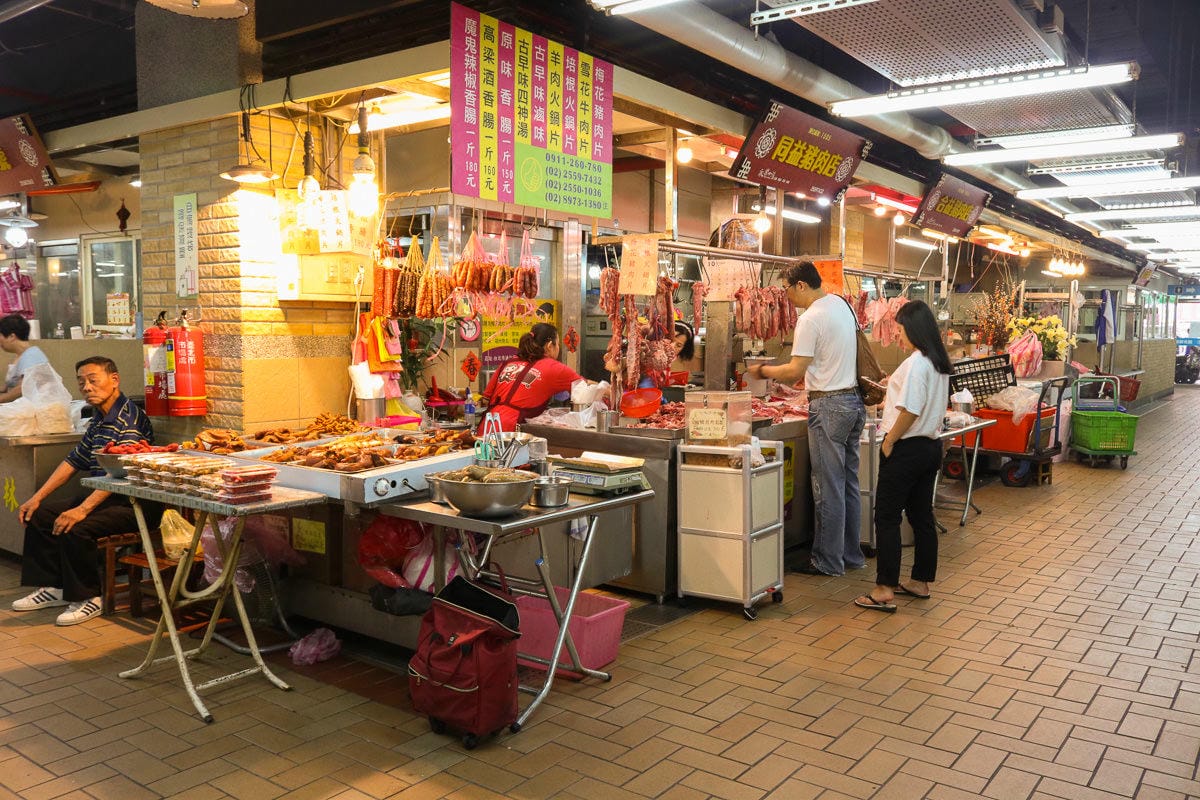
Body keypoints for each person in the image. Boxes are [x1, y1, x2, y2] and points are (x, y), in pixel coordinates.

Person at [12, 356, 162, 626]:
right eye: (82, 382)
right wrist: (36, 498)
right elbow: (74, 460)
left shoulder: (128, 419)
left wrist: (80, 510)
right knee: (41, 514)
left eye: (94, 380)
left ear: (114, 380)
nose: (87, 387)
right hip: (101, 495)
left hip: (130, 502)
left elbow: (118, 475)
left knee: (77, 526)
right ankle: (54, 587)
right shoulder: (98, 418)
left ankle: (91, 597)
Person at [746, 262, 865, 576]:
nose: (786, 297)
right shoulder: (841, 305)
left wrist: (763, 371)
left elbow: (796, 370)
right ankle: (851, 555)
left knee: (828, 486)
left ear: (800, 285)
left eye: (786, 289)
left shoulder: (811, 318)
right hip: (853, 402)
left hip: (829, 406)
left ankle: (827, 561)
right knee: (848, 483)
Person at [855, 301, 951, 613]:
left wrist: (889, 441)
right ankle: (920, 581)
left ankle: (884, 588)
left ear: (914, 329)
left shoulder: (916, 363)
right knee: (922, 516)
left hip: (907, 447)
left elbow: (911, 409)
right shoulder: (937, 362)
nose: (898, 334)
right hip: (930, 447)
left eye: (900, 328)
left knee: (886, 515)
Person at [479, 323, 583, 432]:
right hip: (512, 431)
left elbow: (486, 400)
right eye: (557, 344)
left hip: (486, 427)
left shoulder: (509, 362)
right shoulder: (553, 367)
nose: (558, 348)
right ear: (549, 346)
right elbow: (586, 387)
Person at [0, 314, 49, 403]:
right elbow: (11, 385)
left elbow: (22, 388)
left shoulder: (32, 355)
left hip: (35, 410)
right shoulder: (21, 356)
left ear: (11, 337)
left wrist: (1, 399)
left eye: (0, 336)